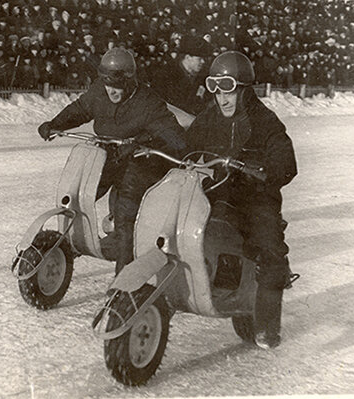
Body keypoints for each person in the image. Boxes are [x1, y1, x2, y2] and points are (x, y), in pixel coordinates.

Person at [185, 51, 298, 349]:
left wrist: (265, 170)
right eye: (217, 91)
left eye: (229, 90)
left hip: (255, 198)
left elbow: (287, 161)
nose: (222, 99)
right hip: (218, 192)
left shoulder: (265, 121)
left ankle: (267, 326)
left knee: (270, 248)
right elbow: (187, 144)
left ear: (244, 89)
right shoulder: (210, 117)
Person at [38, 47, 186, 274]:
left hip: (139, 163)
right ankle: (67, 245)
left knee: (126, 213)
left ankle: (123, 277)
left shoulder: (148, 102)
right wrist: (56, 123)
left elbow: (175, 138)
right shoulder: (99, 91)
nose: (111, 91)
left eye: (117, 86)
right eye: (107, 83)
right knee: (77, 195)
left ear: (129, 81)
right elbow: (80, 109)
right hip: (109, 155)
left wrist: (145, 142)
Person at [152, 35, 212, 116]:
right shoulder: (166, 76)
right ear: (187, 58)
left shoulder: (202, 76)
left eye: (204, 59)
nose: (203, 62)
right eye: (199, 59)